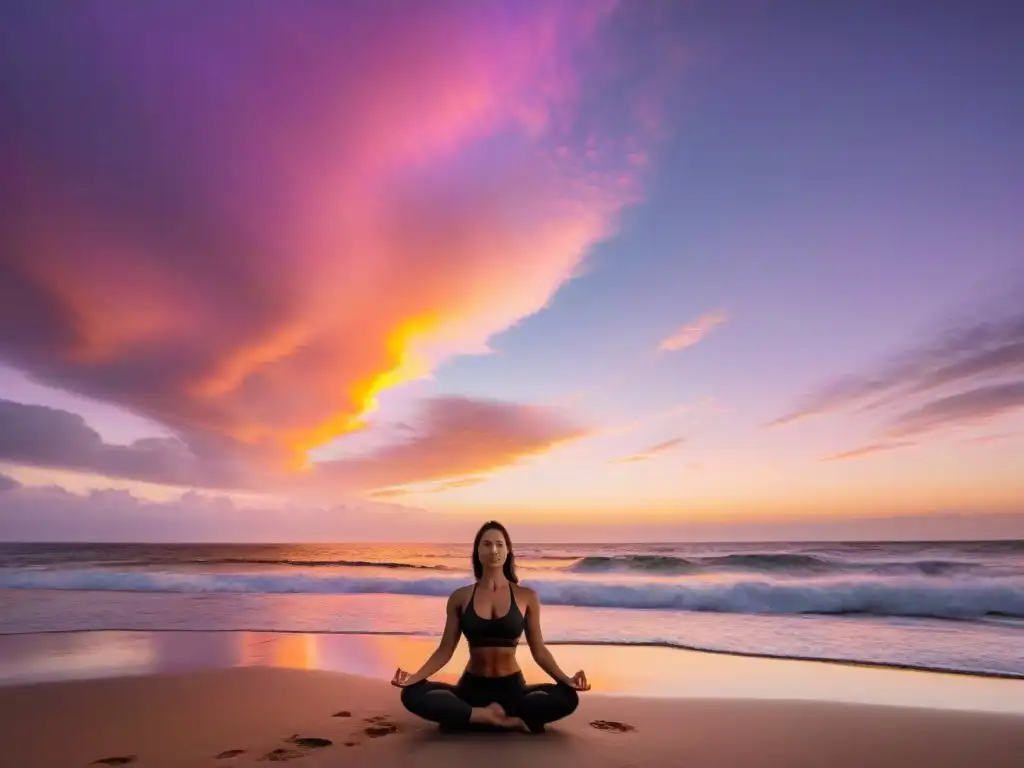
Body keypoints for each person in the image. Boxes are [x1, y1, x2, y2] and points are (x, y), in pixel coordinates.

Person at [393, 520, 589, 733]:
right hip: (471, 688)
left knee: (568, 697)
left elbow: (539, 651)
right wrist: (414, 677)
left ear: (507, 551)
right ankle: (486, 716)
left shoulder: (527, 597)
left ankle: (468, 716)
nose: (493, 550)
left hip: (513, 689)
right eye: (486, 544)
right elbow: (445, 650)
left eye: (499, 544)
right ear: (477, 551)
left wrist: (566, 679)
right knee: (411, 693)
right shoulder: (460, 597)